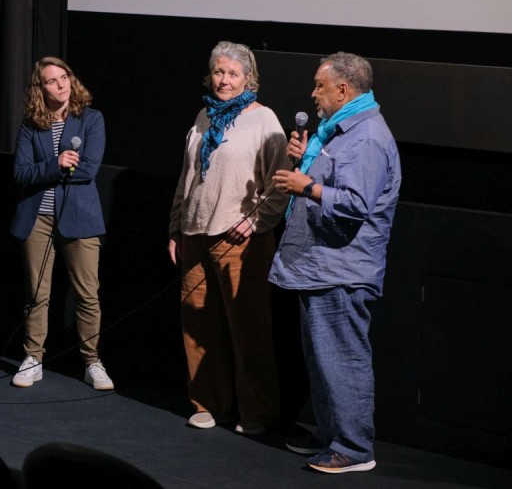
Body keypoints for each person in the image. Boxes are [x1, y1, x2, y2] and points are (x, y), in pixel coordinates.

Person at [270, 52, 401, 474]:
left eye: (319, 86)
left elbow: (356, 204)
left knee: (343, 357)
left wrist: (305, 185)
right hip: (322, 265)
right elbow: (336, 182)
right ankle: (331, 436)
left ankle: (354, 448)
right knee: (323, 358)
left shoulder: (366, 138)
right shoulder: (340, 132)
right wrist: (307, 157)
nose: (313, 93)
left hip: (343, 268)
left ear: (343, 90)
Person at [167, 41, 290, 435]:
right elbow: (187, 179)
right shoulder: (203, 116)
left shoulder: (264, 119)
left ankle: (257, 412)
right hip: (195, 234)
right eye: (219, 72)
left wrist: (255, 222)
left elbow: (280, 183)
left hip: (240, 240)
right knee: (197, 329)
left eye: (232, 74)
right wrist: (175, 228)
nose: (224, 80)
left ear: (247, 78)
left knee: (248, 329)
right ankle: (208, 404)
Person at [9, 57, 113, 391]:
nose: (61, 84)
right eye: (52, 81)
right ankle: (33, 358)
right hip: (37, 217)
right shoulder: (31, 125)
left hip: (80, 218)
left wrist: (53, 167)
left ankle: (92, 362)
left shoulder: (91, 119)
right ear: (40, 89)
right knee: (37, 294)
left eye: (64, 76)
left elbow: (88, 170)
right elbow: (21, 173)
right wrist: (56, 164)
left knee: (87, 294)